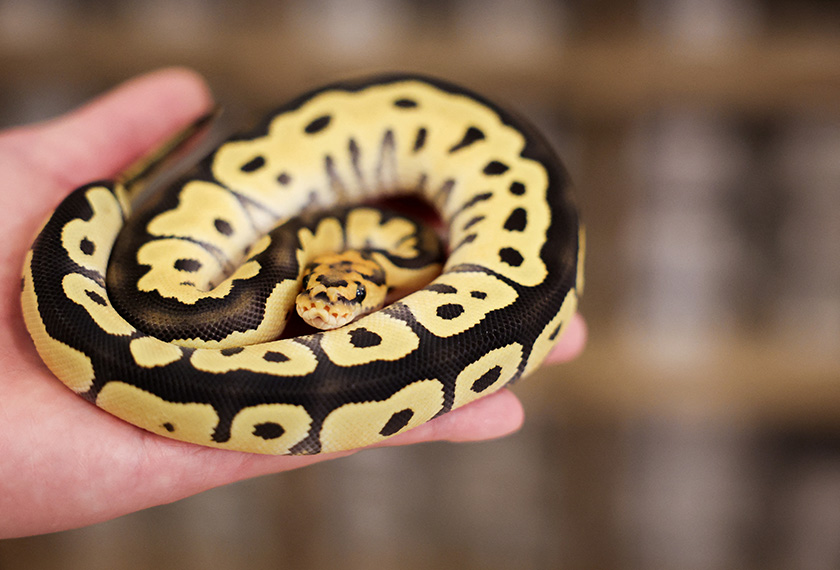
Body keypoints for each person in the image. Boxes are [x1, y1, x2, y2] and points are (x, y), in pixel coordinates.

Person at [0, 68, 587, 538]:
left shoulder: (377, 263)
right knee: (180, 315)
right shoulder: (332, 271)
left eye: (345, 300)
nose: (322, 312)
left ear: (383, 288)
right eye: (314, 292)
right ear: (305, 274)